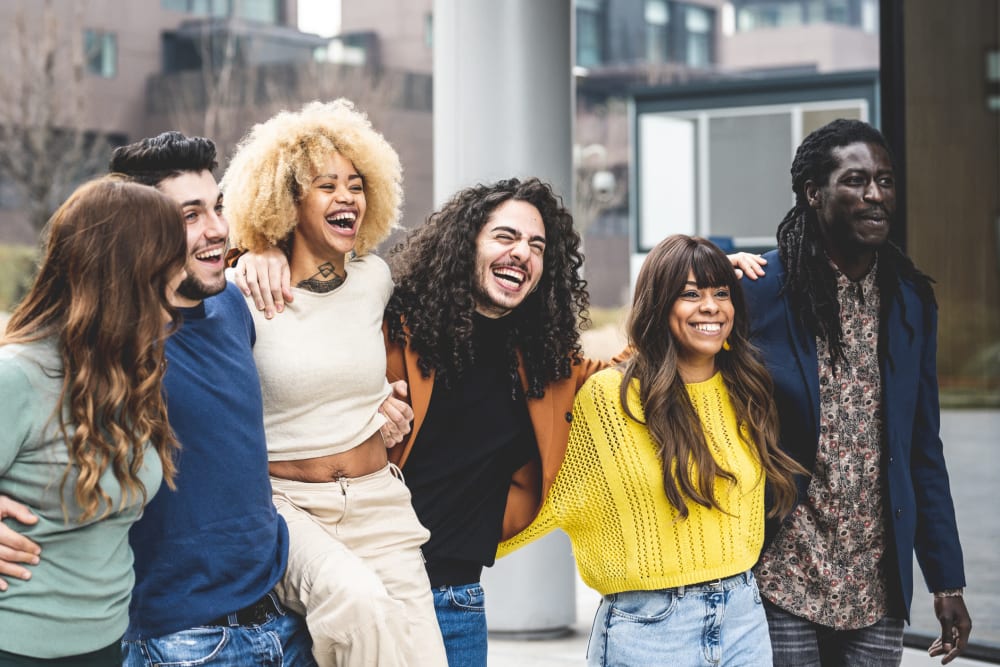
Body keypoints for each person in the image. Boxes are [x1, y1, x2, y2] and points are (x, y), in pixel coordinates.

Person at [233, 178, 768, 666]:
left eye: (537, 247)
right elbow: (307, 330)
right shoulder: (390, 328)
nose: (522, 253)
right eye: (505, 236)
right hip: (355, 585)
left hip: (455, 600)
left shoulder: (547, 365)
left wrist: (710, 280)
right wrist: (257, 252)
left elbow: (640, 360)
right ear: (466, 242)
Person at [498, 234, 805, 665]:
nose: (711, 306)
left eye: (721, 293)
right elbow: (551, 492)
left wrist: (707, 265)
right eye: (690, 294)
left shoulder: (747, 389)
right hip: (649, 628)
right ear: (659, 305)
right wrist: (441, 552)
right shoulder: (609, 399)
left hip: (742, 617)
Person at [221, 99, 447, 667]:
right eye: (326, 186)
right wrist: (254, 251)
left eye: (356, 184)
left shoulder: (376, 278)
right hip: (289, 506)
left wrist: (393, 400)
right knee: (357, 601)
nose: (347, 197)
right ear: (286, 200)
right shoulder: (241, 288)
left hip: (379, 502)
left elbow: (406, 352)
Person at [740, 118, 972, 666]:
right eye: (855, 180)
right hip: (781, 576)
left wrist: (947, 581)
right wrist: (703, 271)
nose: (875, 195)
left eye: (885, 181)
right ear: (812, 193)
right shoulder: (760, 290)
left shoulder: (911, 300)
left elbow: (922, 448)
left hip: (874, 587)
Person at [0, 176, 187, 665]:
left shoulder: (132, 372)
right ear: (128, 276)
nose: (178, 283)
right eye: (168, 268)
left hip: (107, 643)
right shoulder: (18, 375)